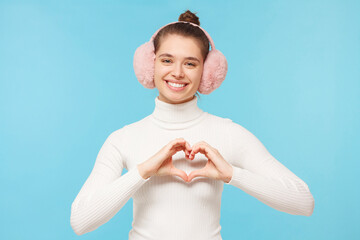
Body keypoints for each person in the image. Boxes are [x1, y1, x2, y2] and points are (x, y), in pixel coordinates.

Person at [70, 10, 315, 240]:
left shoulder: (228, 133)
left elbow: (304, 202)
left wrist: (231, 174)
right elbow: (80, 221)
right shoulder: (123, 138)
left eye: (190, 63)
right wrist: (144, 171)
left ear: (207, 73)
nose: (177, 72)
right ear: (150, 65)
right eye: (167, 60)